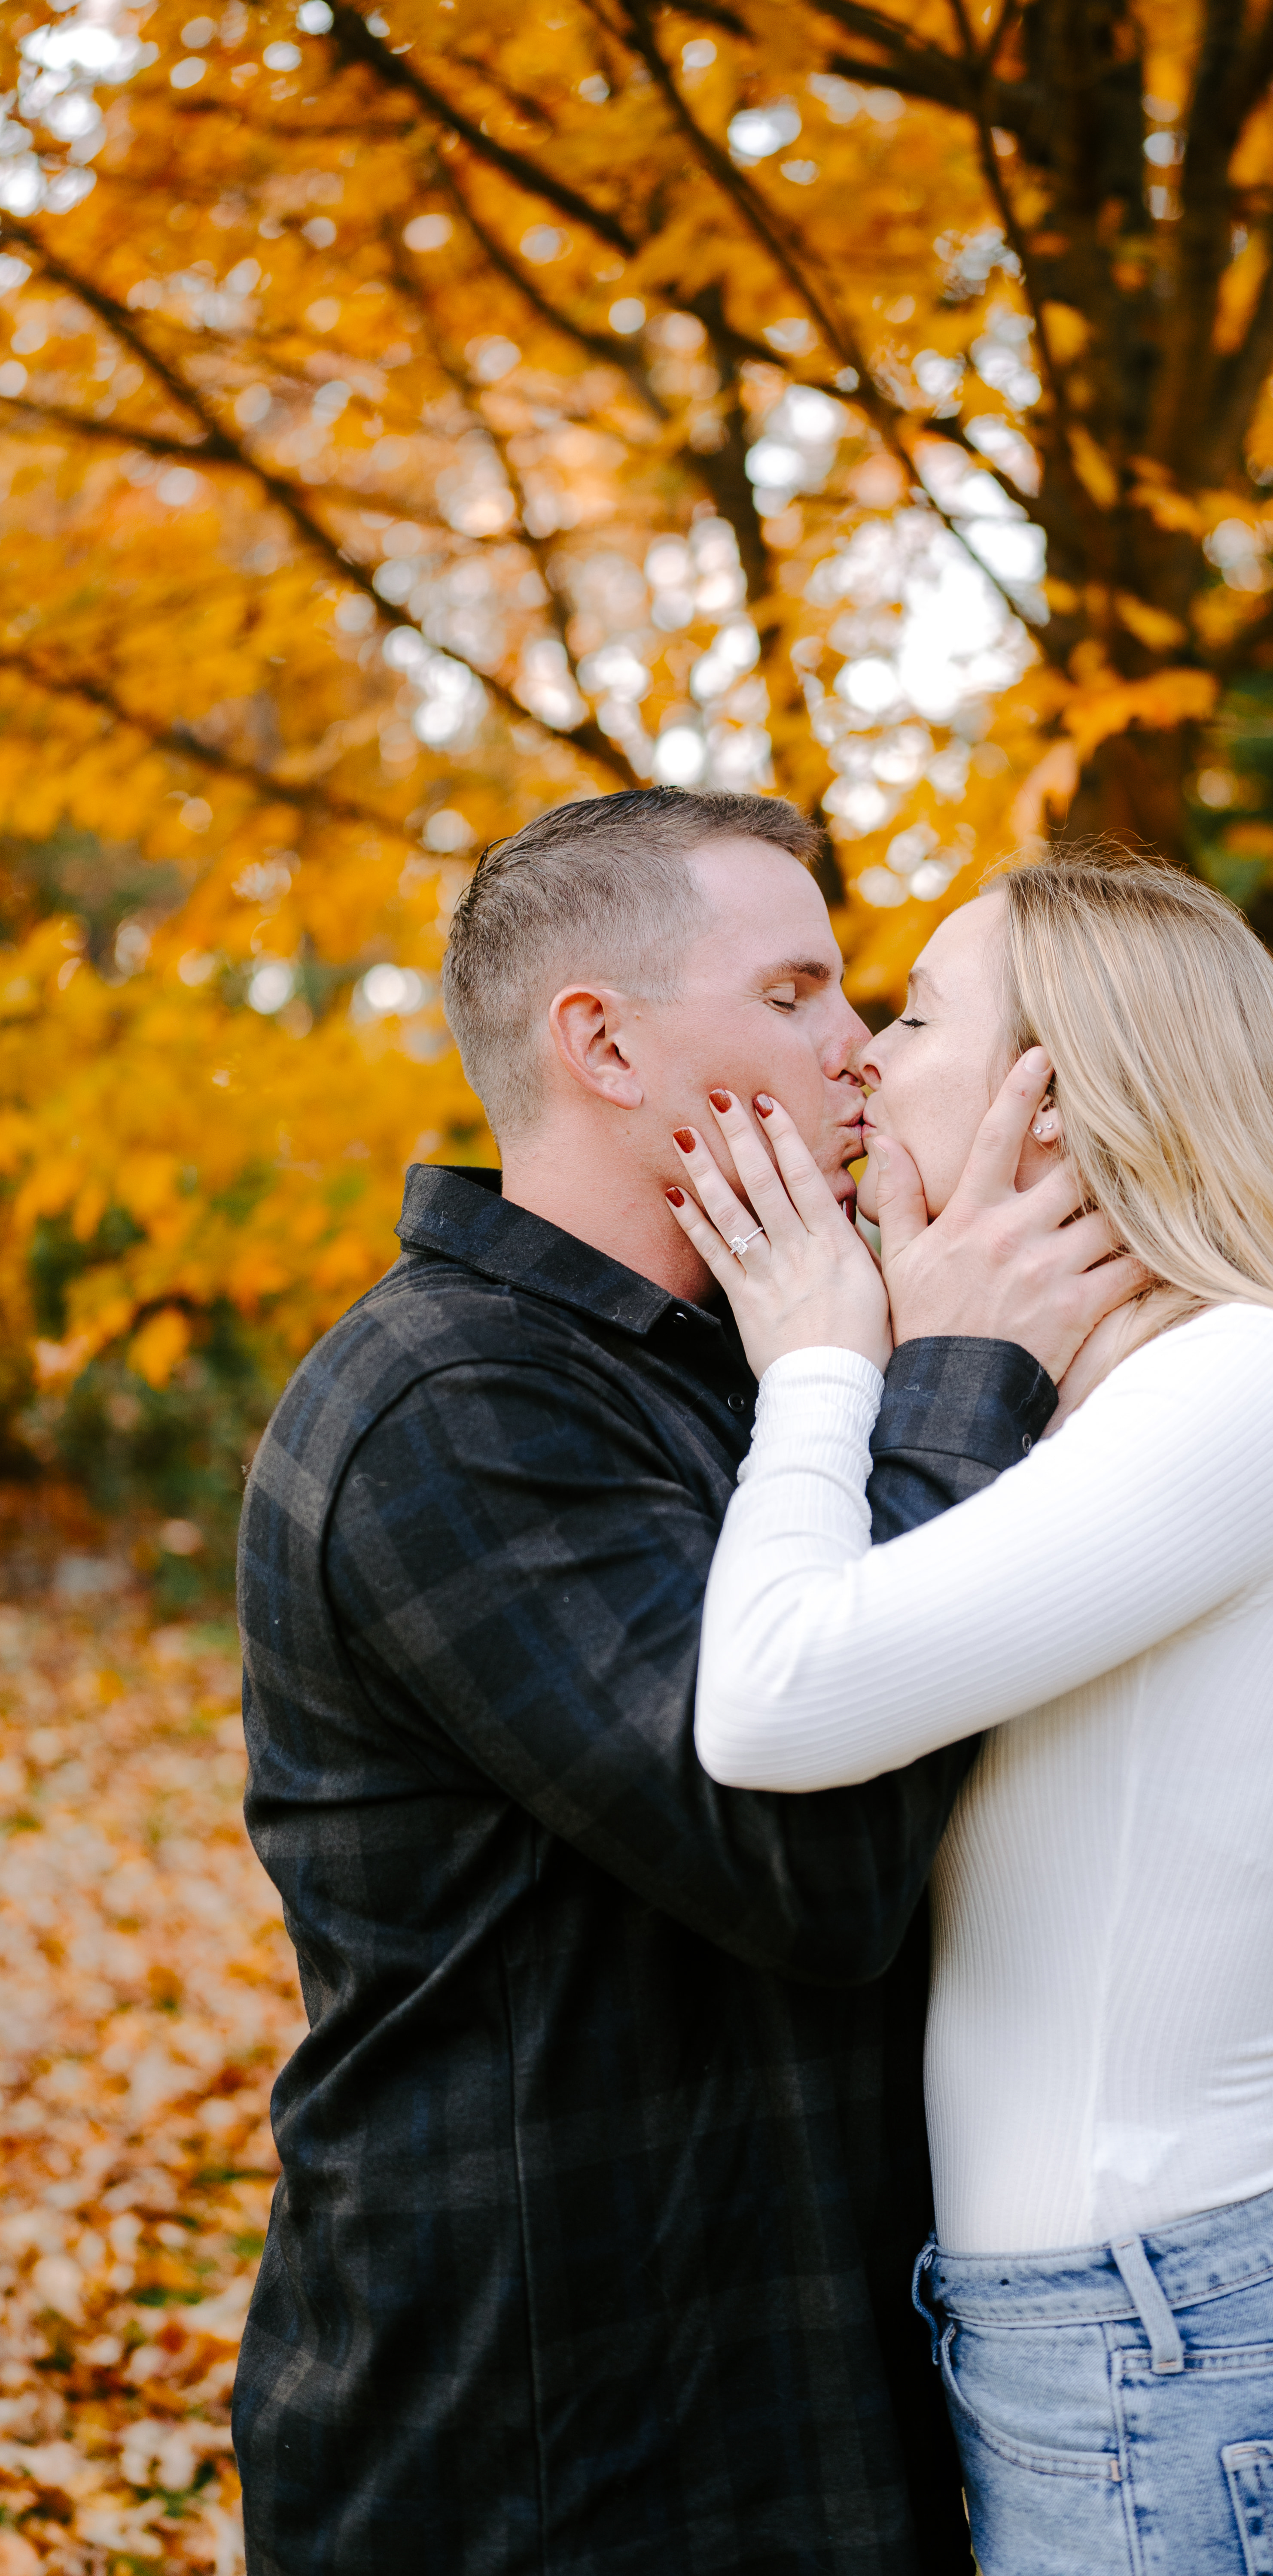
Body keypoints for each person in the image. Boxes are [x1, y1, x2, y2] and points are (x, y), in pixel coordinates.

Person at [231, 788, 1141, 2576]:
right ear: (603, 1042)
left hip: (805, 2397)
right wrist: (957, 1382)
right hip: (548, 2449)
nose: (862, 1051)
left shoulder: (771, 1357)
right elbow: (807, 1868)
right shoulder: (456, 1411)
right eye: (797, 994)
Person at [665, 851, 1273, 2576]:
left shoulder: (1239, 1388)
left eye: (911, 1017)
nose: (861, 1061)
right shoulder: (1083, 1407)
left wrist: (822, 1359)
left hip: (1173, 2360)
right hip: (1097, 2336)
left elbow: (774, 1703)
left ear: (1059, 1101)